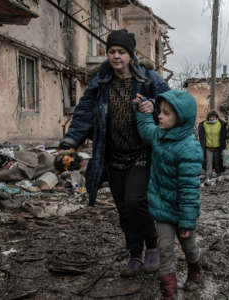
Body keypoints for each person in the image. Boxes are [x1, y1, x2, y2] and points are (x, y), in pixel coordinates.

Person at [59, 29, 170, 277]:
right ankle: (134, 255)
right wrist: (71, 141)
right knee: (123, 207)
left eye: (121, 52)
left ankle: (152, 246)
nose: (116, 56)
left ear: (131, 55)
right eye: (111, 52)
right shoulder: (100, 83)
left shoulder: (150, 80)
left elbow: (171, 109)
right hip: (112, 155)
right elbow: (84, 113)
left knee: (136, 201)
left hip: (142, 153)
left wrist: (154, 109)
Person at [135, 90, 203, 299]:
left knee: (189, 247)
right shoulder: (161, 135)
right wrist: (143, 110)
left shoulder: (189, 148)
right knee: (164, 250)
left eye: (166, 113)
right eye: (160, 112)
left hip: (182, 211)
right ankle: (169, 292)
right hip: (163, 209)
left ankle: (195, 271)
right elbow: (147, 129)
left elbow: (189, 190)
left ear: (181, 119)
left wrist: (186, 221)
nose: (160, 116)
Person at [198, 111, 227, 180]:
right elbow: (202, 135)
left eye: (213, 117)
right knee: (208, 162)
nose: (212, 118)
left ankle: (219, 175)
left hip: (218, 147)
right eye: (210, 117)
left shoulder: (220, 124)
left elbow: (224, 134)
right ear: (208, 117)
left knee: (218, 162)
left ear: (216, 117)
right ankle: (208, 176)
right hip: (208, 147)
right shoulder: (204, 124)